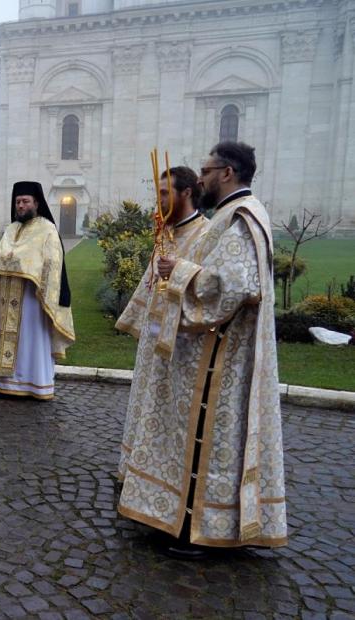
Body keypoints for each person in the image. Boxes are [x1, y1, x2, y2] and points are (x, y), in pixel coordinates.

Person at [118, 142, 287, 556]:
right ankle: (188, 518)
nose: (202, 178)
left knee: (211, 439)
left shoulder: (243, 218)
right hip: (213, 352)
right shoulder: (230, 216)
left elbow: (235, 286)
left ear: (227, 172)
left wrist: (180, 272)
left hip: (222, 359)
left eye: (207, 170)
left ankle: (202, 529)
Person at [115, 166, 209, 487]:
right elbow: (150, 282)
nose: (159, 200)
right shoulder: (165, 234)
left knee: (171, 413)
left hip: (182, 344)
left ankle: (167, 478)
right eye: (157, 193)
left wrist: (181, 271)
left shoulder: (208, 234)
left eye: (165, 193)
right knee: (145, 404)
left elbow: (214, 289)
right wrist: (135, 321)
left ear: (187, 193)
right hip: (153, 340)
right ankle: (138, 468)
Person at [0, 181, 74, 400]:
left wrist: (30, 274)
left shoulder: (47, 229)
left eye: (25, 201)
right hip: (7, 293)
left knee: (31, 339)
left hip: (32, 297)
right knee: (7, 336)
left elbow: (53, 264)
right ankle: (3, 383)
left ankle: (33, 384)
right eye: (17, 202)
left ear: (36, 203)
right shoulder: (11, 229)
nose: (20, 206)